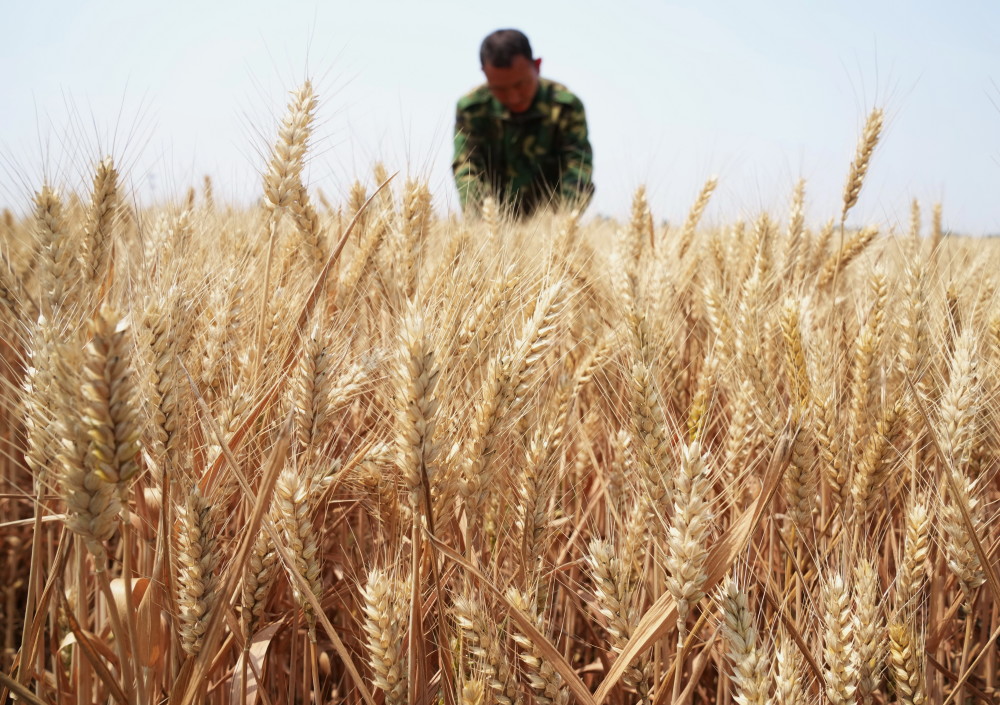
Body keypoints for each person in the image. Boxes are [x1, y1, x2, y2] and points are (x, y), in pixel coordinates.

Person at [452, 29, 594, 218]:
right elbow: (467, 166)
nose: (513, 97)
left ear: (537, 65)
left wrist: (561, 224)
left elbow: (577, 167)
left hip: (551, 225)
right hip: (492, 224)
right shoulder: (472, 108)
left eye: (521, 84)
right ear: (485, 74)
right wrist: (482, 224)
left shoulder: (565, 107)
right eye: (499, 89)